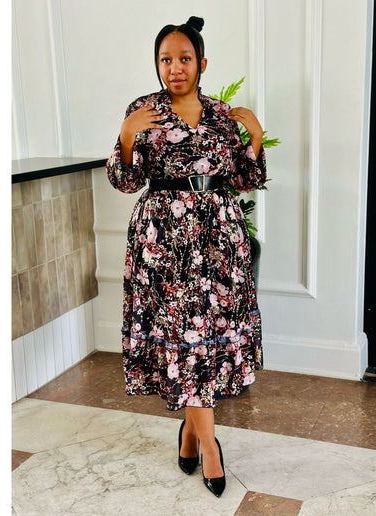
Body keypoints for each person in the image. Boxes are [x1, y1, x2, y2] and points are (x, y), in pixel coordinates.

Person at [106, 16, 266, 498]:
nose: (174, 68)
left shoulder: (222, 115)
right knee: (184, 339)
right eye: (165, 59)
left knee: (207, 341)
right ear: (157, 65)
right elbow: (125, 182)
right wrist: (127, 135)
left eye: (184, 58)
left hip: (219, 240)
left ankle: (191, 433)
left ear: (202, 63)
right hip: (164, 242)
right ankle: (210, 446)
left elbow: (246, 180)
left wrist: (255, 137)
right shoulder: (143, 112)